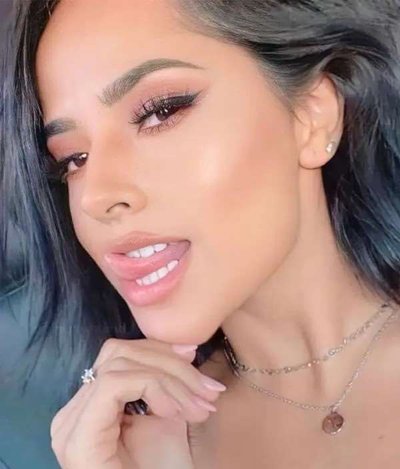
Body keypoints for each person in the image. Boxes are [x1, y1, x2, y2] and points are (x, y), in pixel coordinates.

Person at [1, 0, 400, 467]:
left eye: (160, 112)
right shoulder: (131, 448)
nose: (96, 196)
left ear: (311, 116)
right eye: (74, 159)